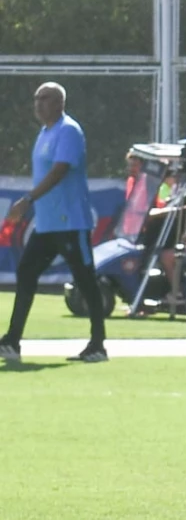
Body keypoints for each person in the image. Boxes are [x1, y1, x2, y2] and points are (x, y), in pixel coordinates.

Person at [0, 82, 108, 364]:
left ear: (60, 103)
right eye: (36, 98)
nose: (39, 103)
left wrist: (28, 199)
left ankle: (98, 345)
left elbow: (61, 170)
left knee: (86, 280)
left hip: (70, 221)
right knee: (26, 272)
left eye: (45, 98)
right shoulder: (45, 132)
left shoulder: (68, 130)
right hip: (48, 225)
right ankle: (11, 341)